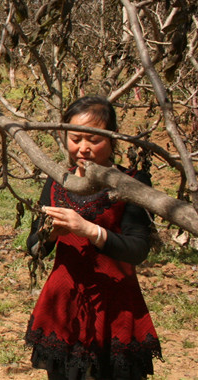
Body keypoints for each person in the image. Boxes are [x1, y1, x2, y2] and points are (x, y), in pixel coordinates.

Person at [25, 95, 162, 380]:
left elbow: (138, 249)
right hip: (64, 306)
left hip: (115, 307)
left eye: (94, 140)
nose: (83, 148)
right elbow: (34, 247)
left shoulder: (134, 183)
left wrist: (89, 230)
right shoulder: (58, 180)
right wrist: (50, 233)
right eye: (75, 139)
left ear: (112, 140)